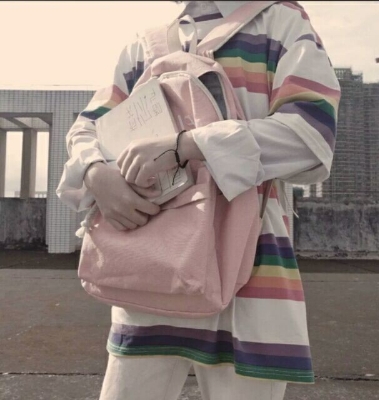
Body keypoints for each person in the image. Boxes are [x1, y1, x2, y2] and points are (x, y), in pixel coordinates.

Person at [56, 1, 341, 399]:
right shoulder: (145, 44)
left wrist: (187, 145)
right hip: (150, 269)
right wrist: (94, 172)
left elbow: (311, 136)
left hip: (247, 275)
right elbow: (87, 128)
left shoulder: (279, 21)